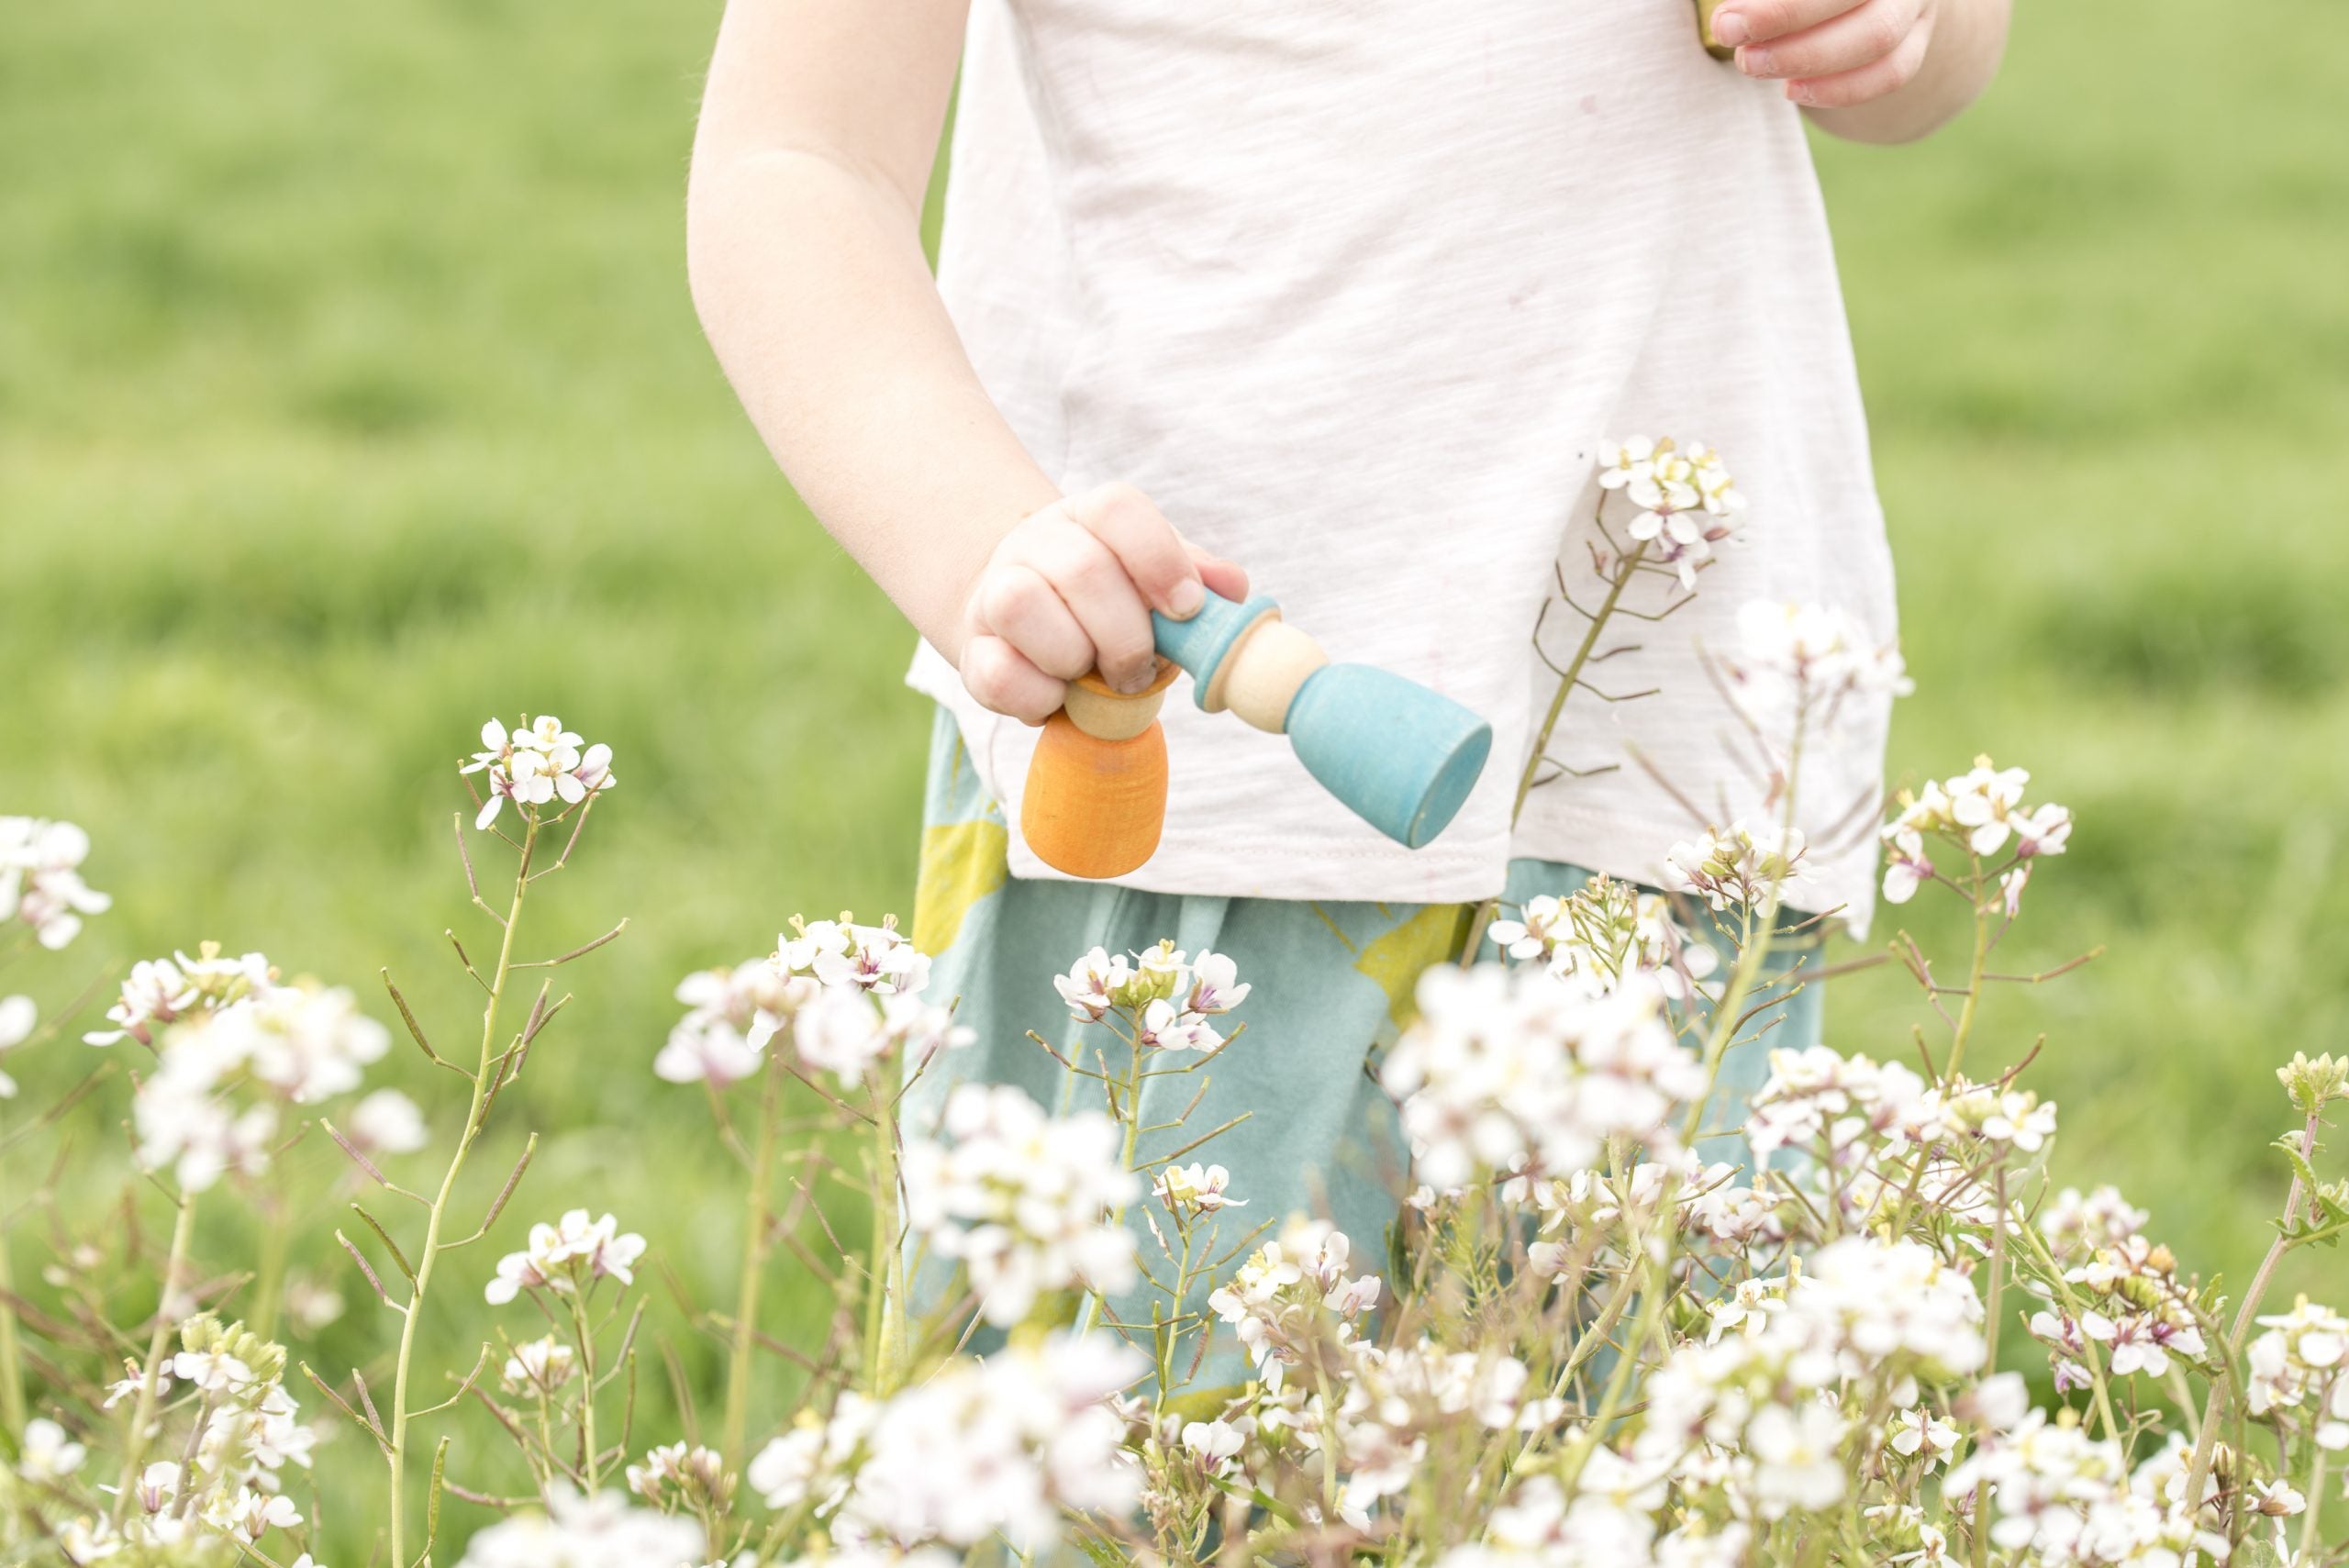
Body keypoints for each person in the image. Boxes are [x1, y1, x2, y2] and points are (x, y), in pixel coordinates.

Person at [686, 0, 2009, 1373]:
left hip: (1668, 767)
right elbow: (796, 159)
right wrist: (987, 547)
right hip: (1199, 755)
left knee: (1633, 1455)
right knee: (1160, 1472)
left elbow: (1922, 65)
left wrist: (1906, 23)